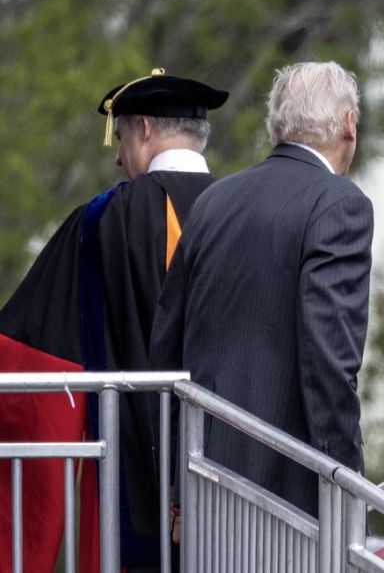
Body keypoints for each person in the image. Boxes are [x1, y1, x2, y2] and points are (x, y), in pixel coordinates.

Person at [0, 68, 228, 571]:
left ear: (144, 130)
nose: (119, 157)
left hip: (139, 480)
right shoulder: (245, 209)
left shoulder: (106, 216)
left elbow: (33, 345)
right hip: (240, 480)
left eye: (122, 138)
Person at [150, 61, 373, 519]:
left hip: (205, 483)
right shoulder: (341, 204)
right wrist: (347, 480)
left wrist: (176, 485)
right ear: (348, 125)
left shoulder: (214, 200)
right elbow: (329, 361)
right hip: (291, 497)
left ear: (277, 123)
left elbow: (167, 353)